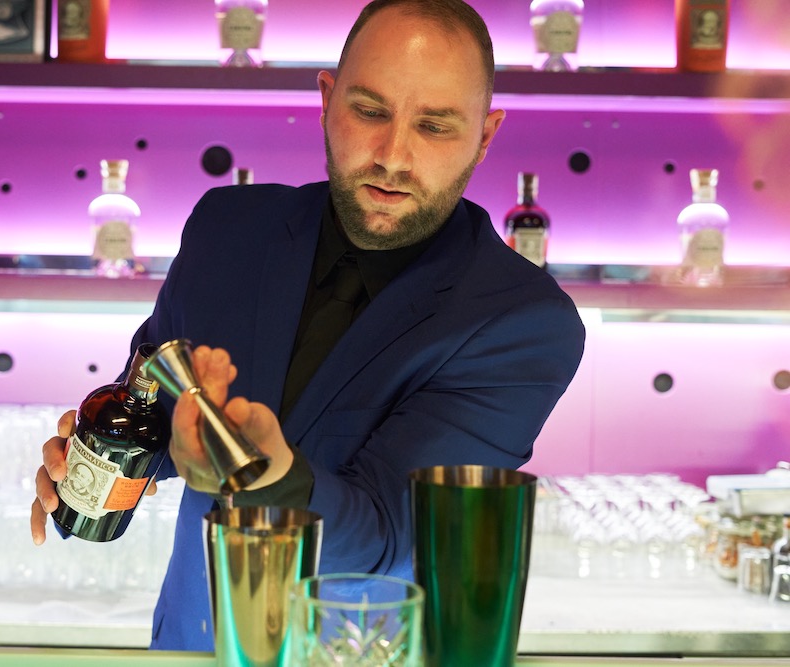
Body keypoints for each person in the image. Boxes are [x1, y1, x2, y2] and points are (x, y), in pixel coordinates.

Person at [32, 0, 585, 652]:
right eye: (370, 112)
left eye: (434, 126)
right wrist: (98, 464)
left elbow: (388, 534)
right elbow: (150, 401)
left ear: (485, 136)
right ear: (326, 100)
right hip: (192, 648)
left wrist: (262, 475)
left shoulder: (522, 322)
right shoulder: (225, 230)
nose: (393, 156)